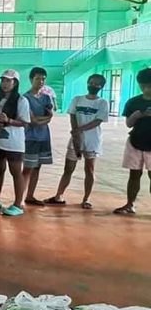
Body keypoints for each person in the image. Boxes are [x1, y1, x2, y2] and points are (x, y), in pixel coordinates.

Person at [45, 74, 109, 209]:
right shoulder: (77, 99)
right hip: (75, 139)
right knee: (68, 169)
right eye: (91, 83)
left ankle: (86, 199)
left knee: (89, 170)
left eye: (97, 84)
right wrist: (76, 135)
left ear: (101, 87)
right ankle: (58, 196)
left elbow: (98, 121)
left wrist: (79, 130)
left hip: (92, 141)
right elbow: (73, 116)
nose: (93, 85)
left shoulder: (102, 103)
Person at [0, 69, 31, 216]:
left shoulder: (21, 101)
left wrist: (9, 121)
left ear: (15, 83)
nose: (5, 84)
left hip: (14, 143)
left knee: (15, 172)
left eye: (8, 81)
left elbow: (25, 122)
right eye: (3, 80)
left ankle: (18, 204)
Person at [114, 68, 151, 215]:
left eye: (148, 84)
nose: (146, 88)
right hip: (135, 142)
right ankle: (130, 204)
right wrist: (139, 115)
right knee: (134, 174)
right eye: (142, 85)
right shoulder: (133, 102)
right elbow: (129, 123)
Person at [22, 67, 54, 206]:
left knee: (37, 167)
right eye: (37, 78)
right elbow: (32, 120)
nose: (41, 81)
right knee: (27, 168)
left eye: (43, 79)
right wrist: (44, 119)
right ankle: (20, 197)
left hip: (44, 137)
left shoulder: (47, 98)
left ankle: (30, 196)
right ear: (31, 79)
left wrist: (44, 119)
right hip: (30, 137)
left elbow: (49, 117)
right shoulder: (25, 98)